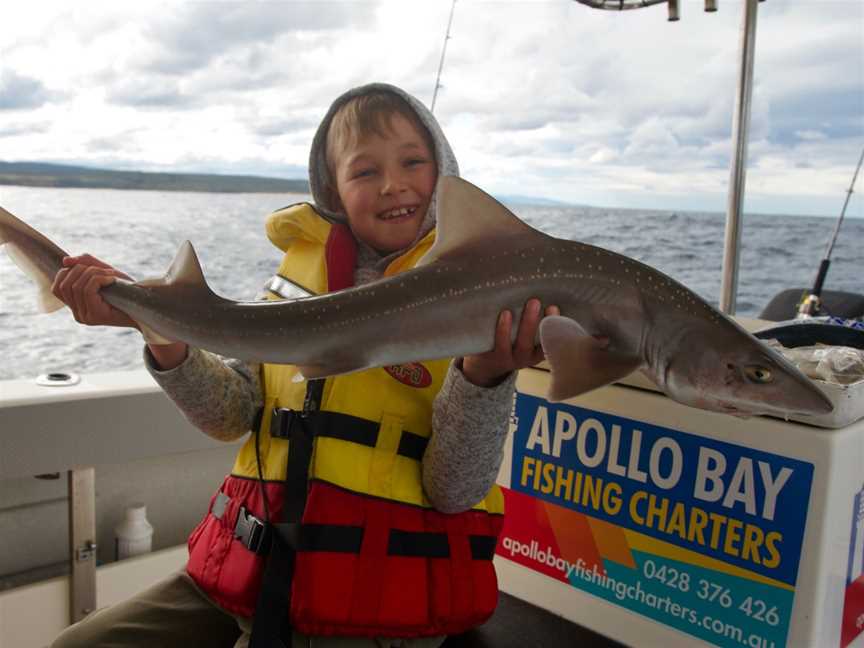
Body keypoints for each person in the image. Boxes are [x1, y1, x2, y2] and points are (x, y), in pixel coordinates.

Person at [49, 83, 557, 648]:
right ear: (333, 190)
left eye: (413, 161)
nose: (393, 183)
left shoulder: (479, 303)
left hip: (374, 603)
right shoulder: (296, 283)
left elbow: (455, 490)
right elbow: (231, 413)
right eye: (364, 172)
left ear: (444, 173)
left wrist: (485, 375)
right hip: (251, 574)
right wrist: (162, 335)